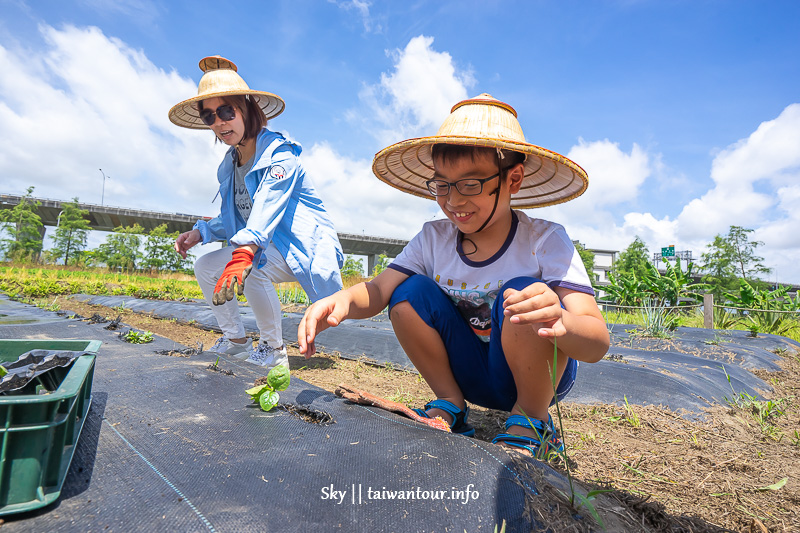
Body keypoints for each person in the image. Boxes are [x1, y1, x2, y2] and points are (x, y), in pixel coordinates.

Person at [298, 94, 609, 456]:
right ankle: (450, 403)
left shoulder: (544, 241)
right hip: (468, 372)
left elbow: (597, 341)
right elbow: (379, 290)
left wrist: (561, 321)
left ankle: (530, 419)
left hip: (538, 374)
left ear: (513, 179)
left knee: (525, 293)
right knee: (407, 293)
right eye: (442, 185)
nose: (454, 200)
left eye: (471, 184)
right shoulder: (434, 239)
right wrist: (341, 301)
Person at [169, 56, 343, 369]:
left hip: (303, 248)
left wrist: (245, 252)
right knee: (207, 266)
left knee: (254, 268)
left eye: (226, 111)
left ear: (246, 110)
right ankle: (235, 340)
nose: (219, 122)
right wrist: (201, 232)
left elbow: (267, 205)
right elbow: (238, 215)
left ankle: (273, 350)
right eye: (210, 116)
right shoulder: (230, 164)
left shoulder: (280, 155)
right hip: (264, 245)